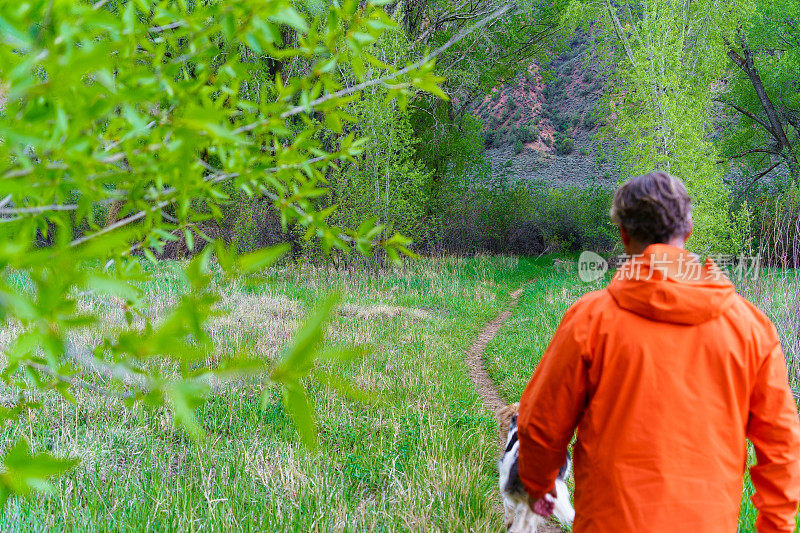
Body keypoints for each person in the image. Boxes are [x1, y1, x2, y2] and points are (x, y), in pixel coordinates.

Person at [517, 170, 800, 532]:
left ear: (623, 235)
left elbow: (540, 424)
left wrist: (541, 485)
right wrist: (776, 525)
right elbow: (782, 444)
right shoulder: (751, 328)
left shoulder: (590, 319)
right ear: (689, 229)